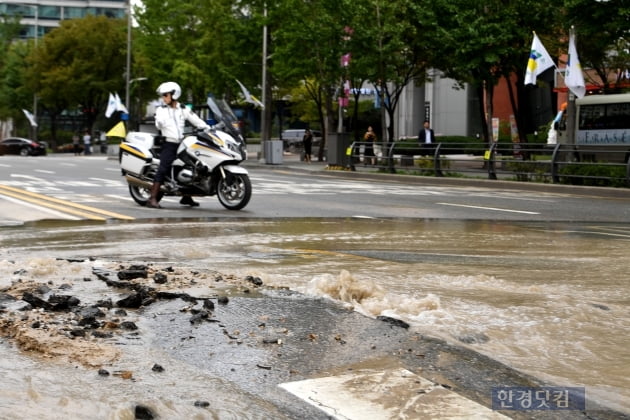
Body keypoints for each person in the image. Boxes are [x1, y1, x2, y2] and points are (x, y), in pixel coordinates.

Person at [147, 81, 211, 209]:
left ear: (174, 95)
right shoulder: (161, 110)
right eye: (163, 95)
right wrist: (160, 122)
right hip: (169, 143)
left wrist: (208, 128)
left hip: (183, 143)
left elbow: (196, 120)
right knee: (163, 168)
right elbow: (158, 123)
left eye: (165, 95)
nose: (163, 98)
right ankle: (152, 198)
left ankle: (186, 197)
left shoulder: (183, 109)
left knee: (192, 166)